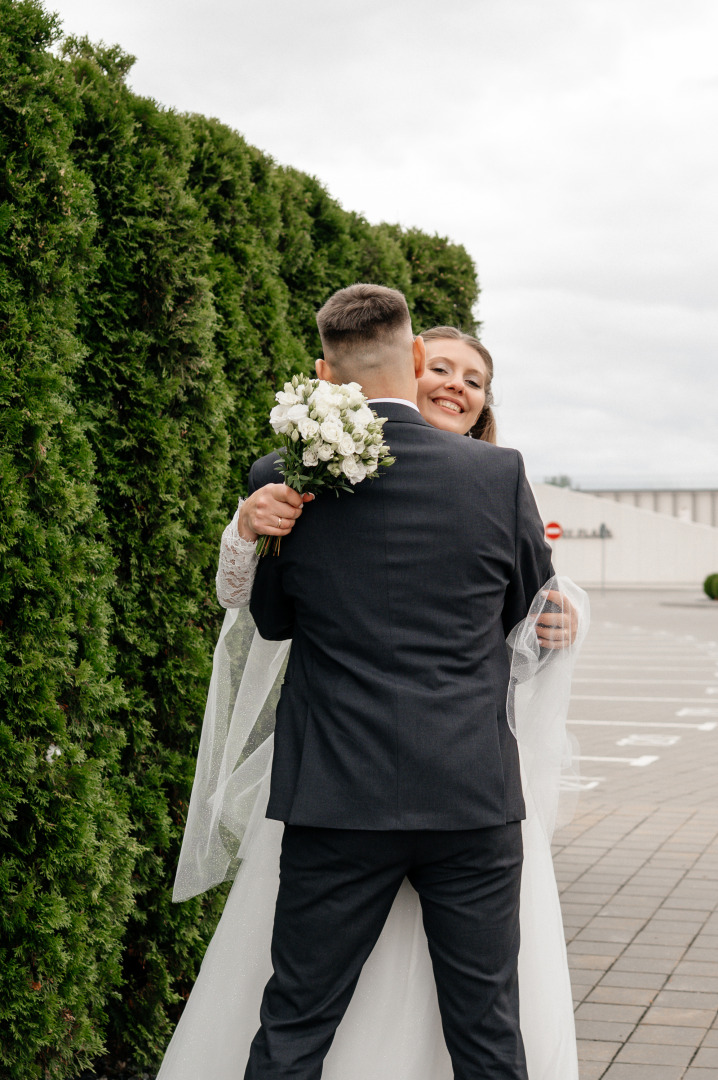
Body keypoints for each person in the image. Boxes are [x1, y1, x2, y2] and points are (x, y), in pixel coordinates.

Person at [158, 290, 585, 1080]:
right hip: (471, 795)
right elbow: (527, 609)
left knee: (294, 1025)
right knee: (488, 1034)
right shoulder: (498, 476)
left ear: (326, 375)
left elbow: (275, 621)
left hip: (335, 798)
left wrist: (252, 536)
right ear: (417, 360)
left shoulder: (286, 479)